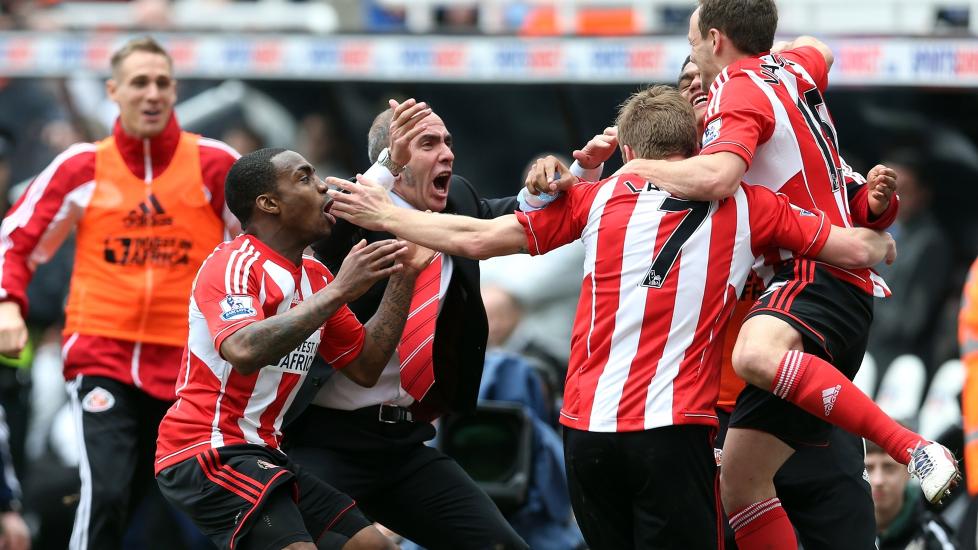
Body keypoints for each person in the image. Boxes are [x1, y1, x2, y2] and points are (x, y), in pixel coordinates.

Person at [325, 84, 897, 549]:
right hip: (674, 429)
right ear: (705, 144)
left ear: (626, 148)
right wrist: (879, 234)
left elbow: (474, 238)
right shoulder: (749, 204)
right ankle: (905, 444)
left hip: (584, 430)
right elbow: (854, 251)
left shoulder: (594, 198)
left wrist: (387, 212)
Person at [528, 3, 958, 547]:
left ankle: (911, 446)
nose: (702, 88)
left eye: (702, 72)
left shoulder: (737, 132)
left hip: (800, 354)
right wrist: (585, 170)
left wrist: (872, 222)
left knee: (765, 384)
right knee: (741, 488)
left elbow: (837, 216)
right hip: (717, 416)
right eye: (688, 85)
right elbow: (556, 218)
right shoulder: (656, 187)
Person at [0, 37, 242, 549]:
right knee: (105, 494)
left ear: (174, 90)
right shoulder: (80, 167)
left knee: (207, 508)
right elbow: (14, 239)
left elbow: (271, 237)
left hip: (191, 367)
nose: (151, 93)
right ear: (113, 91)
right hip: (103, 356)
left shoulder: (216, 164)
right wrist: (7, 303)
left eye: (161, 82)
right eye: (139, 82)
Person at [155, 147, 432, 550]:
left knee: (375, 546)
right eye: (304, 178)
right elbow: (243, 350)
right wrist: (340, 290)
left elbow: (366, 365)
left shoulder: (315, 276)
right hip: (206, 450)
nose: (322, 186)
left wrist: (405, 274)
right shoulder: (234, 263)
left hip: (265, 452)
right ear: (269, 204)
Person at [284, 99, 528, 550]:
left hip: (403, 442)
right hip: (324, 441)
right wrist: (385, 165)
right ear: (394, 162)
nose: (447, 154)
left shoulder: (458, 199)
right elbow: (331, 222)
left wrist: (559, 177)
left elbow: (511, 213)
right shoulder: (342, 213)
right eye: (428, 143)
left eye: (449, 143)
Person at [866, 440, 960, 550]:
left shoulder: (931, 535)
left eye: (889, 468)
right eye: (868, 468)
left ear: (909, 471)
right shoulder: (843, 528)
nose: (878, 481)